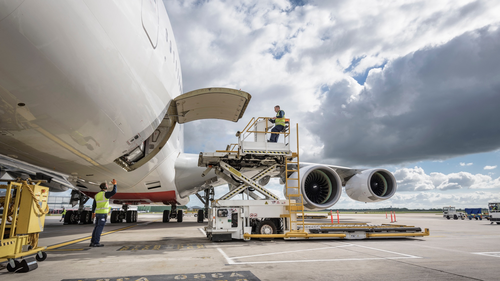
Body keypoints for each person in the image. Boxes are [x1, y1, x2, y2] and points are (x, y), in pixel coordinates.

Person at [90, 179, 117, 247]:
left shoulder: (97, 195)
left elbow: (94, 205)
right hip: (103, 214)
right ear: (105, 187)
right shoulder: (105, 194)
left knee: (96, 227)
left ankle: (92, 242)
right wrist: (115, 184)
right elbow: (114, 192)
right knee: (99, 228)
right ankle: (96, 242)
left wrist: (93, 213)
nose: (107, 186)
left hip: (98, 213)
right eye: (107, 185)